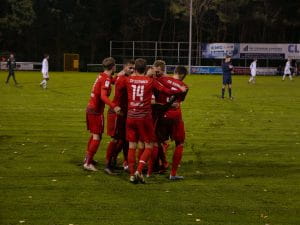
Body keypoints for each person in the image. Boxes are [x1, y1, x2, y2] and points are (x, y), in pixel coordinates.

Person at [125, 58, 186, 183]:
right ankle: (142, 170)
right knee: (151, 144)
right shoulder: (151, 81)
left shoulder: (129, 79)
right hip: (147, 116)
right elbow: (167, 90)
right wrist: (178, 92)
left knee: (134, 145)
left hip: (131, 116)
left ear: (135, 68)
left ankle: (136, 173)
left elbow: (120, 79)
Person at [83, 57, 121, 171]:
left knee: (95, 134)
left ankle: (88, 158)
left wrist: (121, 75)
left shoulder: (103, 76)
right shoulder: (106, 79)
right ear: (113, 67)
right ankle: (88, 163)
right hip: (96, 111)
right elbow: (103, 96)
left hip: (91, 108)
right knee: (97, 136)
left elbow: (113, 81)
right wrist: (114, 106)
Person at [155, 66, 189, 180]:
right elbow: (180, 100)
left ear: (174, 72)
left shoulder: (161, 79)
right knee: (179, 143)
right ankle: (173, 173)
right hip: (175, 116)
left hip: (161, 114)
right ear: (183, 75)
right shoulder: (184, 86)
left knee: (157, 142)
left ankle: (159, 165)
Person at [105, 59, 135, 174]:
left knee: (123, 139)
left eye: (133, 68)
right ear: (124, 68)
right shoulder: (124, 80)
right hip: (117, 112)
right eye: (130, 68)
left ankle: (116, 162)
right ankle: (108, 164)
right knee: (115, 139)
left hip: (123, 113)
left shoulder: (122, 77)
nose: (132, 70)